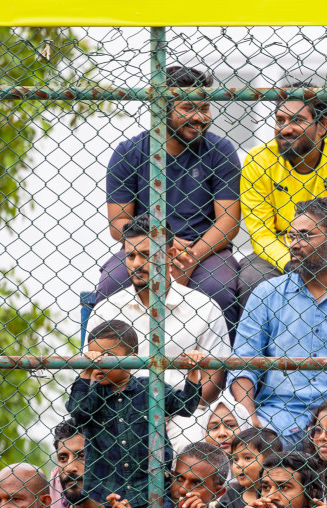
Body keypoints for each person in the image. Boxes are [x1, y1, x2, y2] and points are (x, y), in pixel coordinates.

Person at [68, 318, 210, 508]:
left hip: (154, 488)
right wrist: (86, 373)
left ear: (131, 358)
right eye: (92, 356)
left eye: (106, 357)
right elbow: (78, 413)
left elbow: (185, 406)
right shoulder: (93, 395)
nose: (99, 364)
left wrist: (193, 372)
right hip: (115, 492)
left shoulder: (152, 389)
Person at [232, 197, 327, 439]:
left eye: (305, 236)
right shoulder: (266, 294)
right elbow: (243, 365)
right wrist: (251, 420)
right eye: (291, 236)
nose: (295, 244)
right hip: (277, 419)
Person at [100, 65, 241, 321]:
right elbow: (118, 223)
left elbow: (228, 222)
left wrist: (190, 257)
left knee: (218, 291)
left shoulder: (220, 150)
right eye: (188, 108)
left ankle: (220, 361)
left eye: (205, 108)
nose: (200, 117)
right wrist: (161, 246)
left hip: (206, 249)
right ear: (162, 109)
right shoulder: (129, 152)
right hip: (144, 246)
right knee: (111, 285)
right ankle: (111, 358)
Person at [88, 218, 232, 449]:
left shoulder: (204, 307)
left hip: (184, 411)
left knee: (190, 445)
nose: (137, 263)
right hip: (119, 410)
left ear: (170, 253)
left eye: (146, 254)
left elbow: (213, 378)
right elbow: (94, 371)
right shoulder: (107, 310)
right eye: (131, 256)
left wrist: (168, 408)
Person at [237, 79, 327, 298]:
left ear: (322, 126)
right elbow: (260, 232)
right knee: (253, 281)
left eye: (297, 120)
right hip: (281, 251)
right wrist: (290, 263)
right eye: (280, 120)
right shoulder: (257, 160)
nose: (286, 128)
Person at [225, 427, 283, 508]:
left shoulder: (279, 496)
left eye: (247, 458)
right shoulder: (229, 497)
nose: (238, 465)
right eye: (235, 459)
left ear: (270, 460)